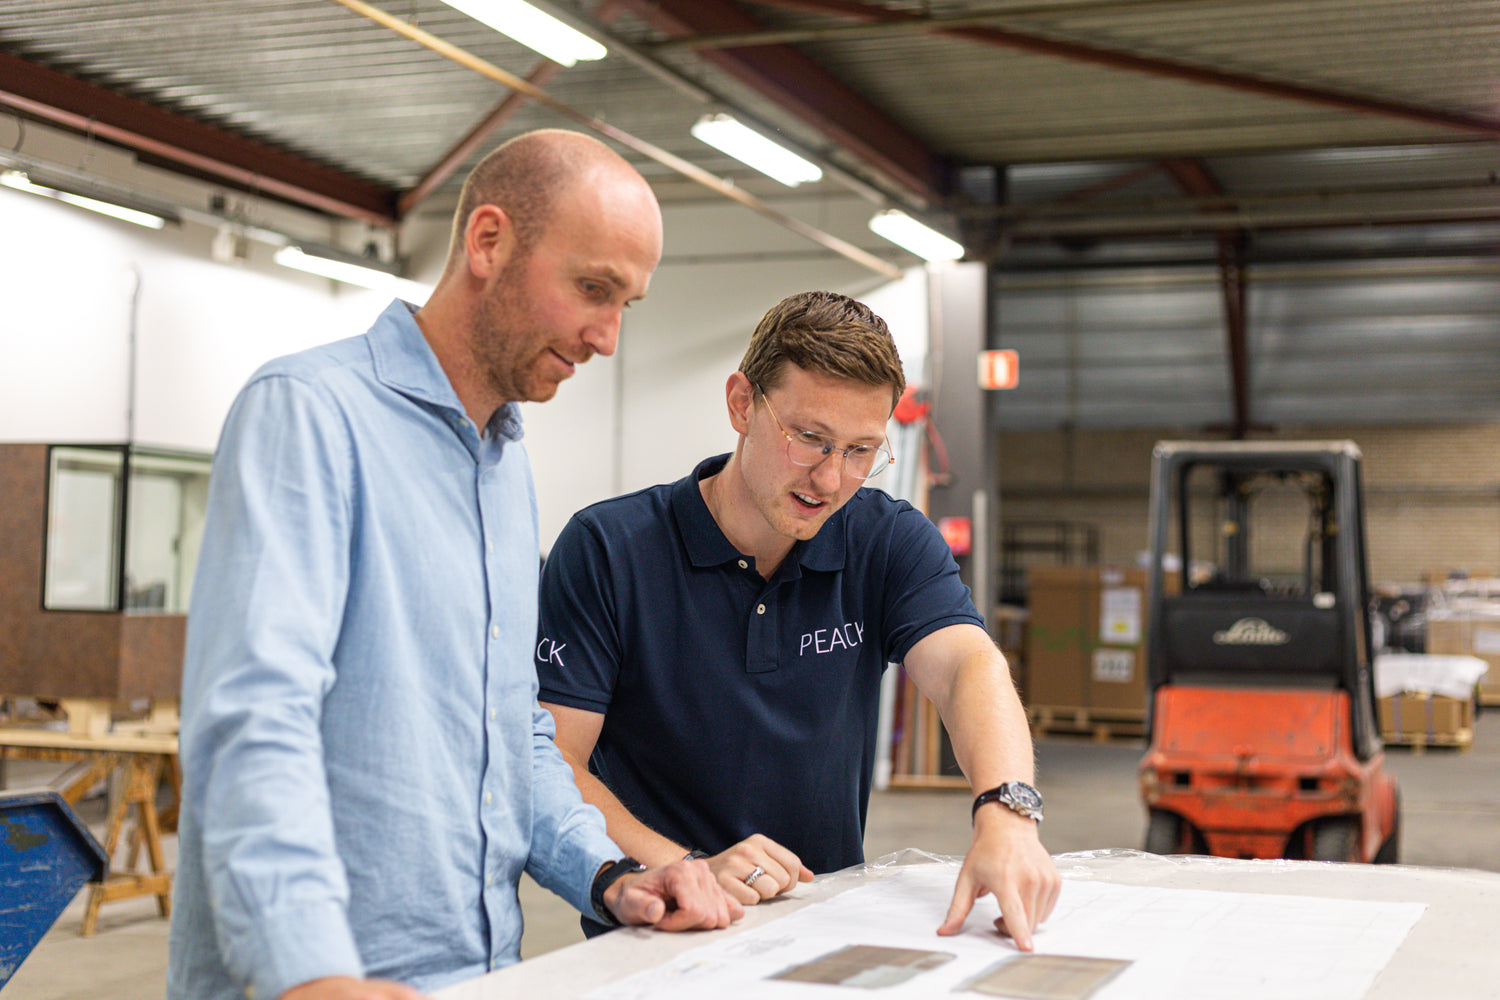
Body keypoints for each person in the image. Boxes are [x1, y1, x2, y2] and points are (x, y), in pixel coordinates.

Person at [168, 129, 739, 1000]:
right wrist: (311, 975)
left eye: (628, 304)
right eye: (593, 288)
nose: (608, 338)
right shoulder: (312, 417)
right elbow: (255, 724)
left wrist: (611, 871)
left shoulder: (505, 471)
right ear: (488, 242)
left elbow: (514, 738)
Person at [536, 290, 1061, 950]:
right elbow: (555, 759)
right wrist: (679, 866)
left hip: (827, 932)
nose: (833, 479)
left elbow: (965, 667)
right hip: (658, 938)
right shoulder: (610, 549)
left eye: (862, 450)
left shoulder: (885, 540)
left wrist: (1007, 810)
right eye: (810, 439)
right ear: (740, 404)